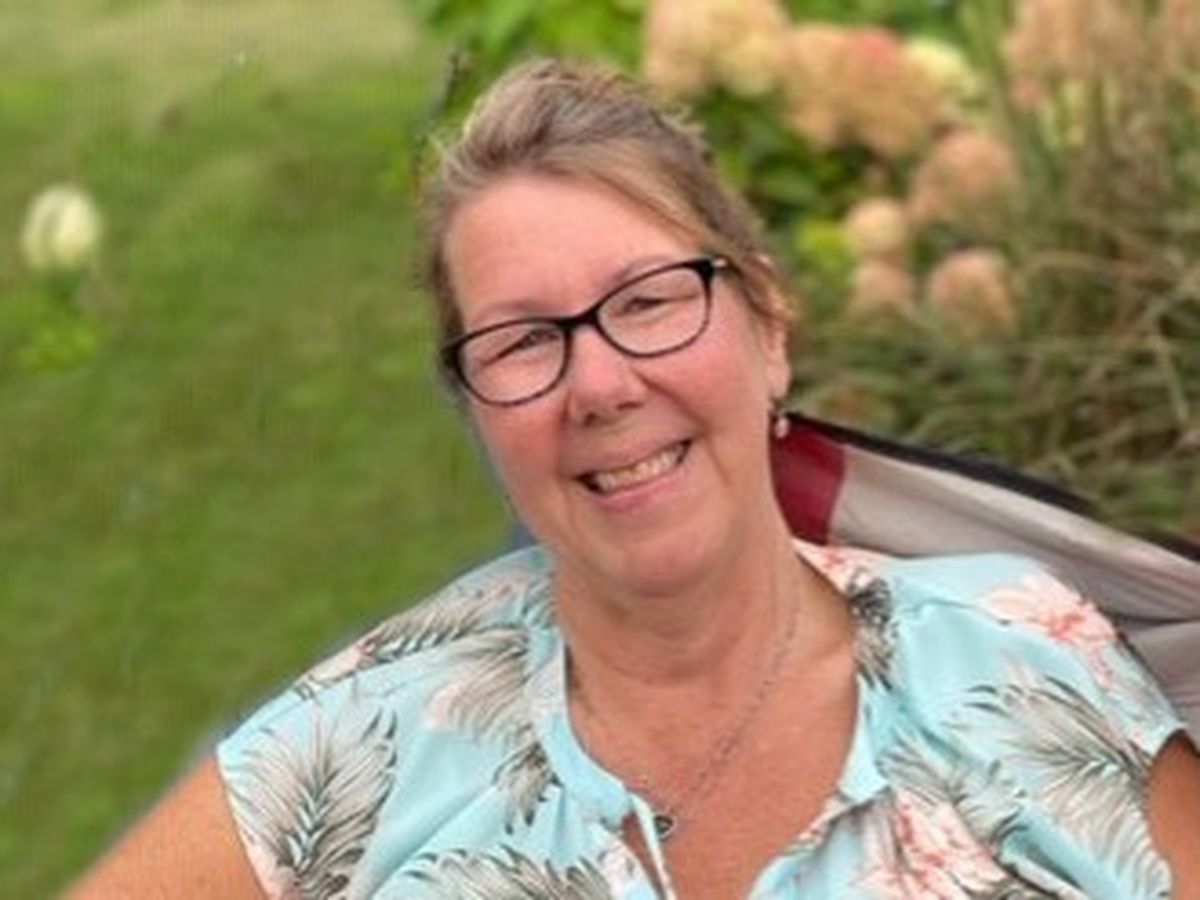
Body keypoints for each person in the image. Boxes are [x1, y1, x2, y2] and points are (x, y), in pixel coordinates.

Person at [71, 58, 1200, 899]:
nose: (600, 384)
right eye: (523, 341)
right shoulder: (363, 739)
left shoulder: (1020, 656)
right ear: (475, 408)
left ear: (769, 329)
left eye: (651, 301)